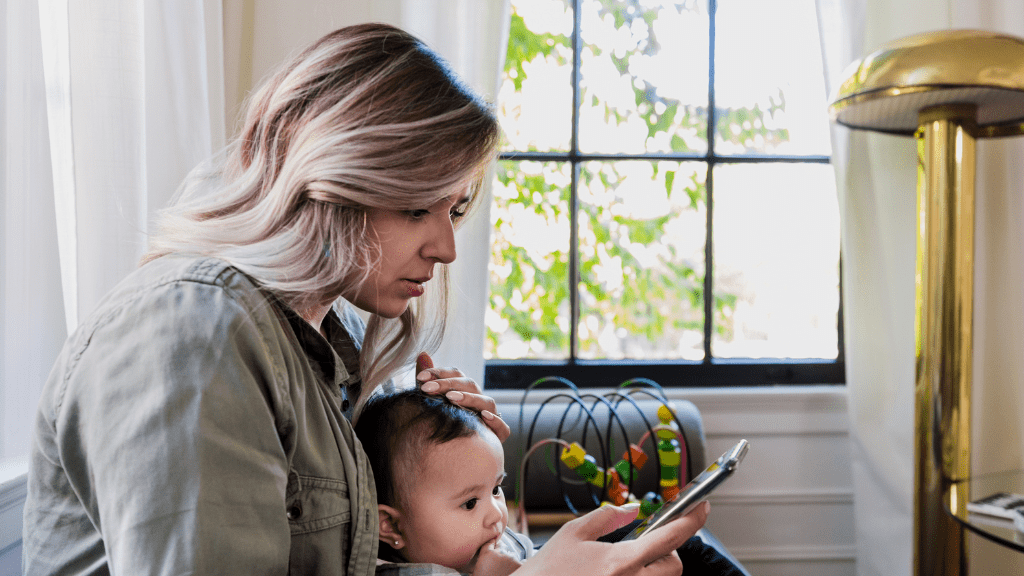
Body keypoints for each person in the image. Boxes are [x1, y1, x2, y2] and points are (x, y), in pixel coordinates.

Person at [22, 22, 715, 576]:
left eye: (454, 210)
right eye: (418, 208)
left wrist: (430, 467)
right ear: (330, 183)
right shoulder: (191, 336)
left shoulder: (316, 347)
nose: (446, 248)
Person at [354, 388, 532, 576]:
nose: (497, 514)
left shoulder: (495, 542)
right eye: (470, 503)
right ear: (392, 525)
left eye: (495, 489)